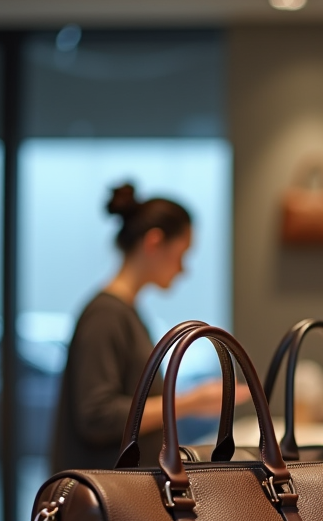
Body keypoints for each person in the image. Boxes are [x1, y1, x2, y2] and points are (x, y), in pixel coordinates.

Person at [50, 184, 238, 474]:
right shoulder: (106, 315)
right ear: (154, 242)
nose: (183, 269)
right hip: (108, 494)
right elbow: (97, 417)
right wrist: (191, 401)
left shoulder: (126, 313)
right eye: (181, 254)